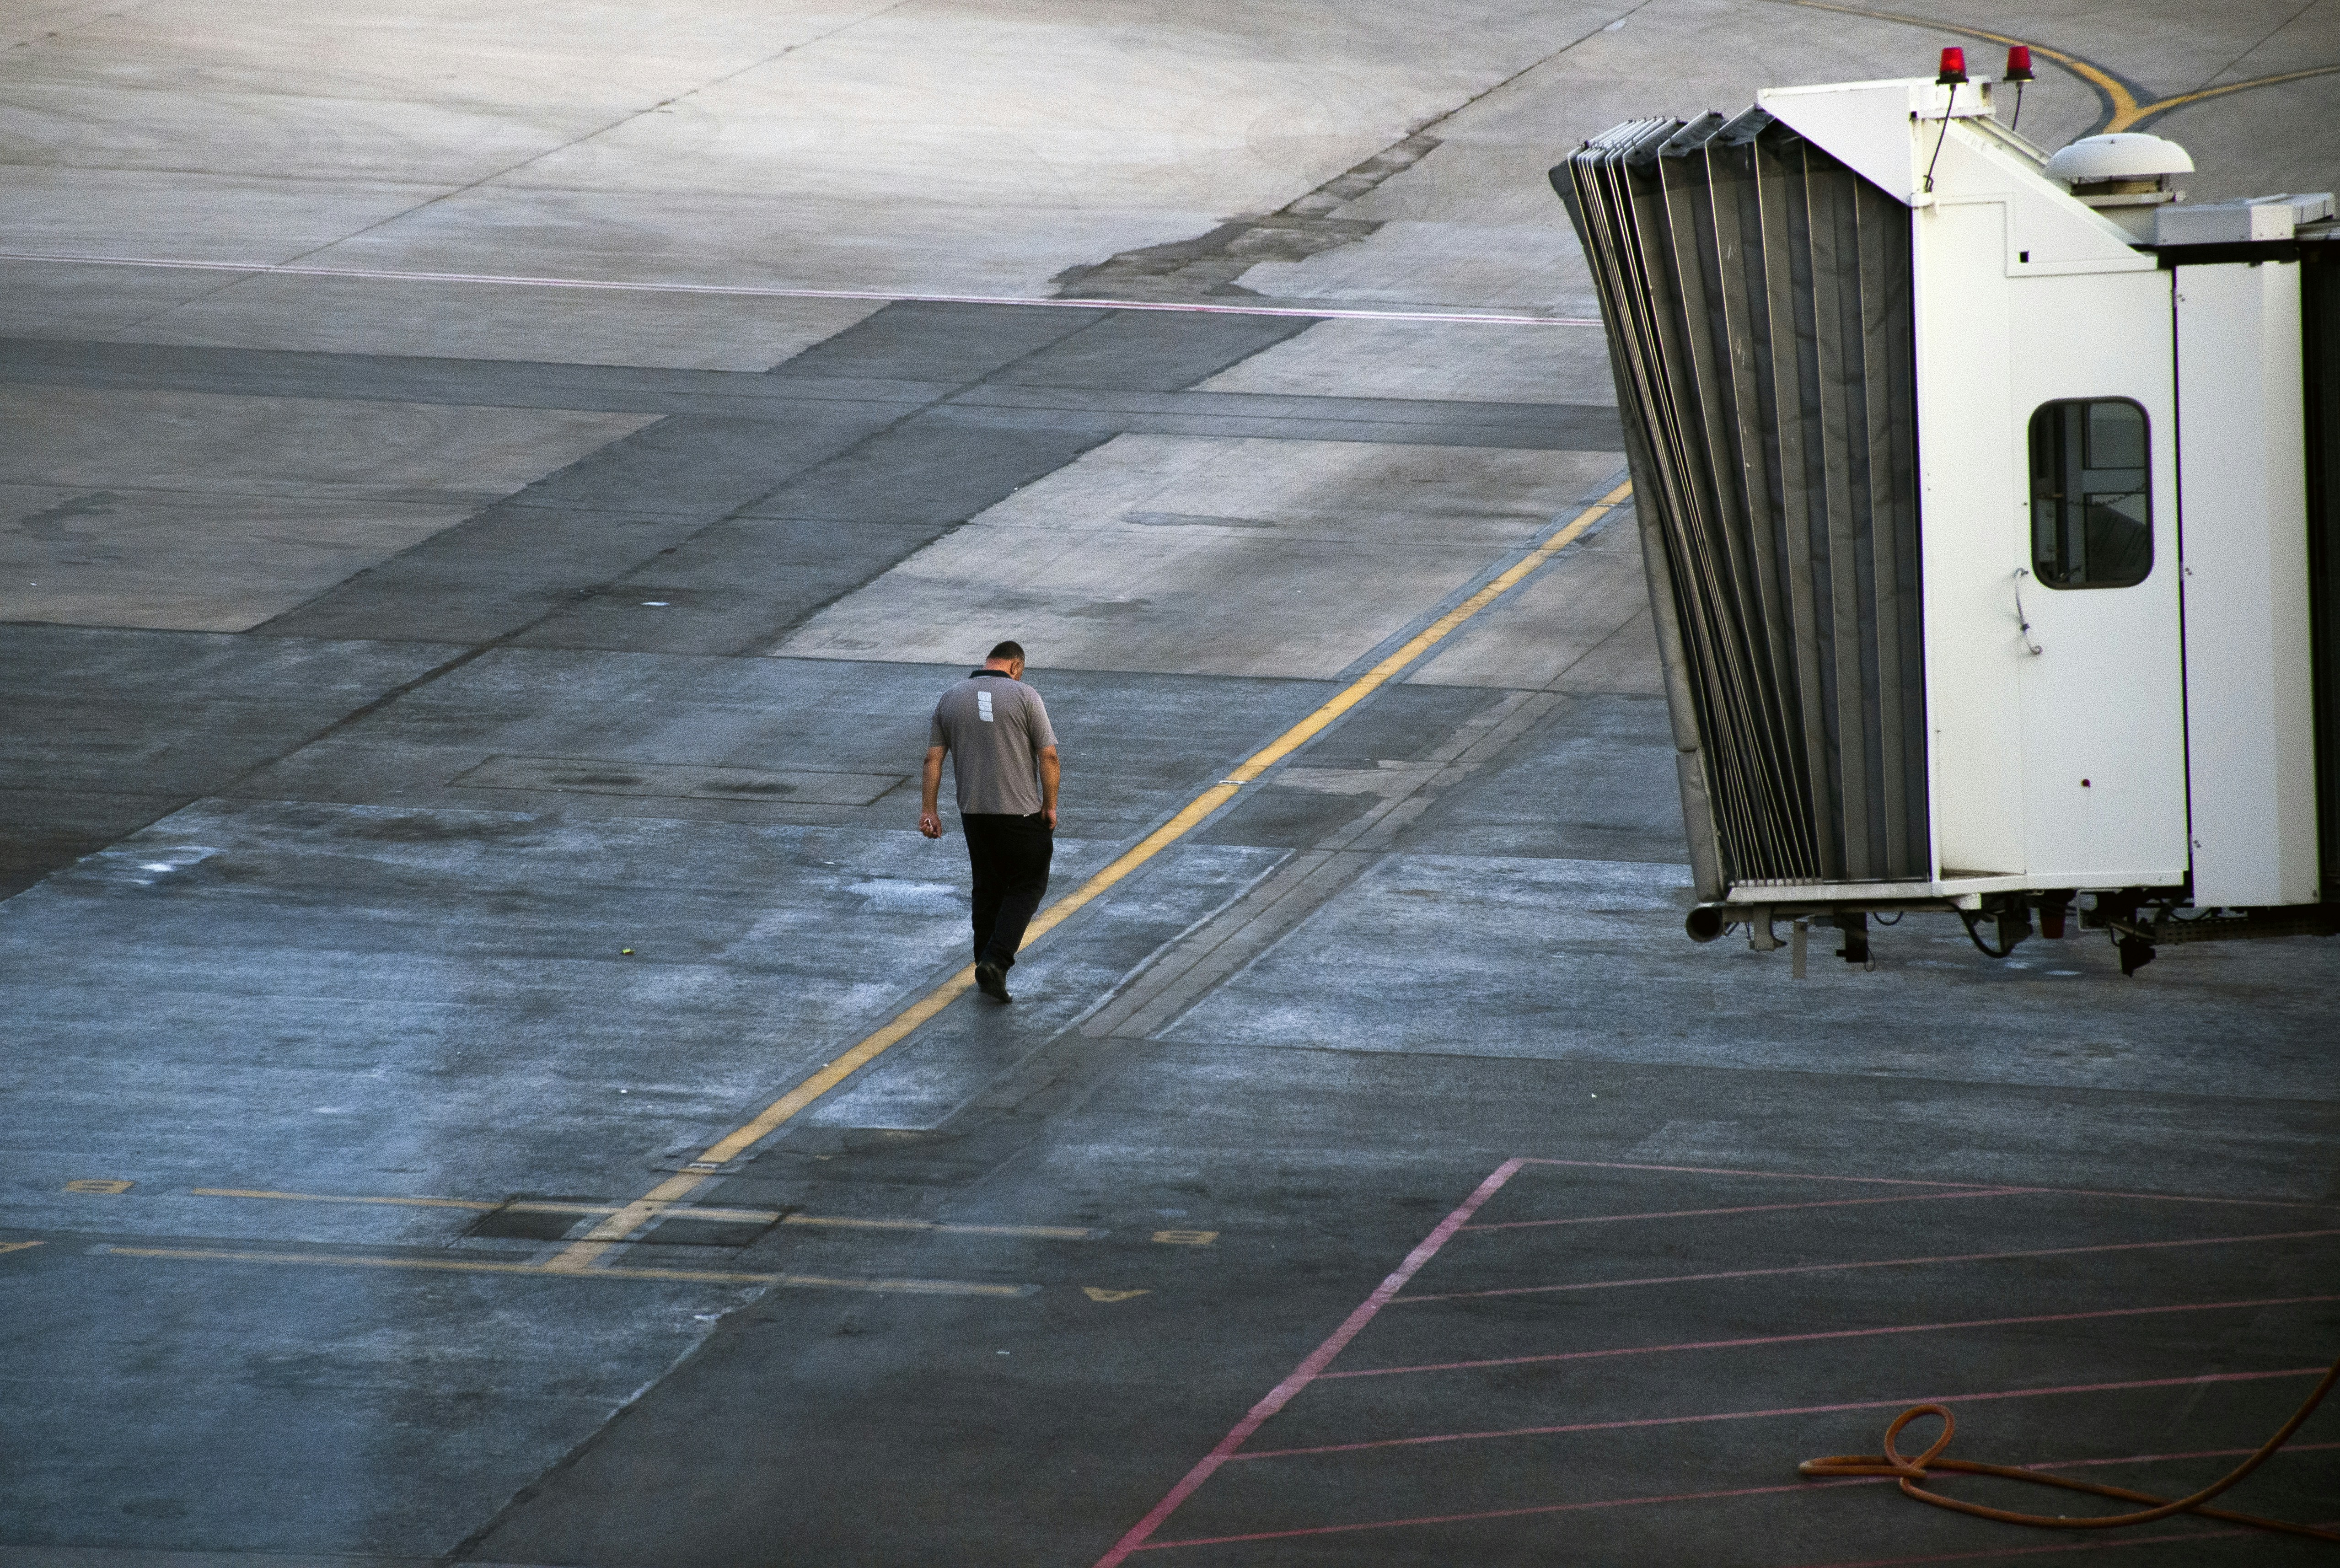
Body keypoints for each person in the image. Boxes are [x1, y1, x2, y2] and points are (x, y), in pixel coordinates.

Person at [919, 640, 1059, 1003]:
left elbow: (932, 760)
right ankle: (996, 961)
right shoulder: (1026, 696)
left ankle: (984, 966)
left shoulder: (950, 697)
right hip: (1020, 813)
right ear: (1015, 666)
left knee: (987, 888)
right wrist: (1051, 806)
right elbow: (1049, 756)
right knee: (1027, 885)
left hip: (974, 814)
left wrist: (929, 811)